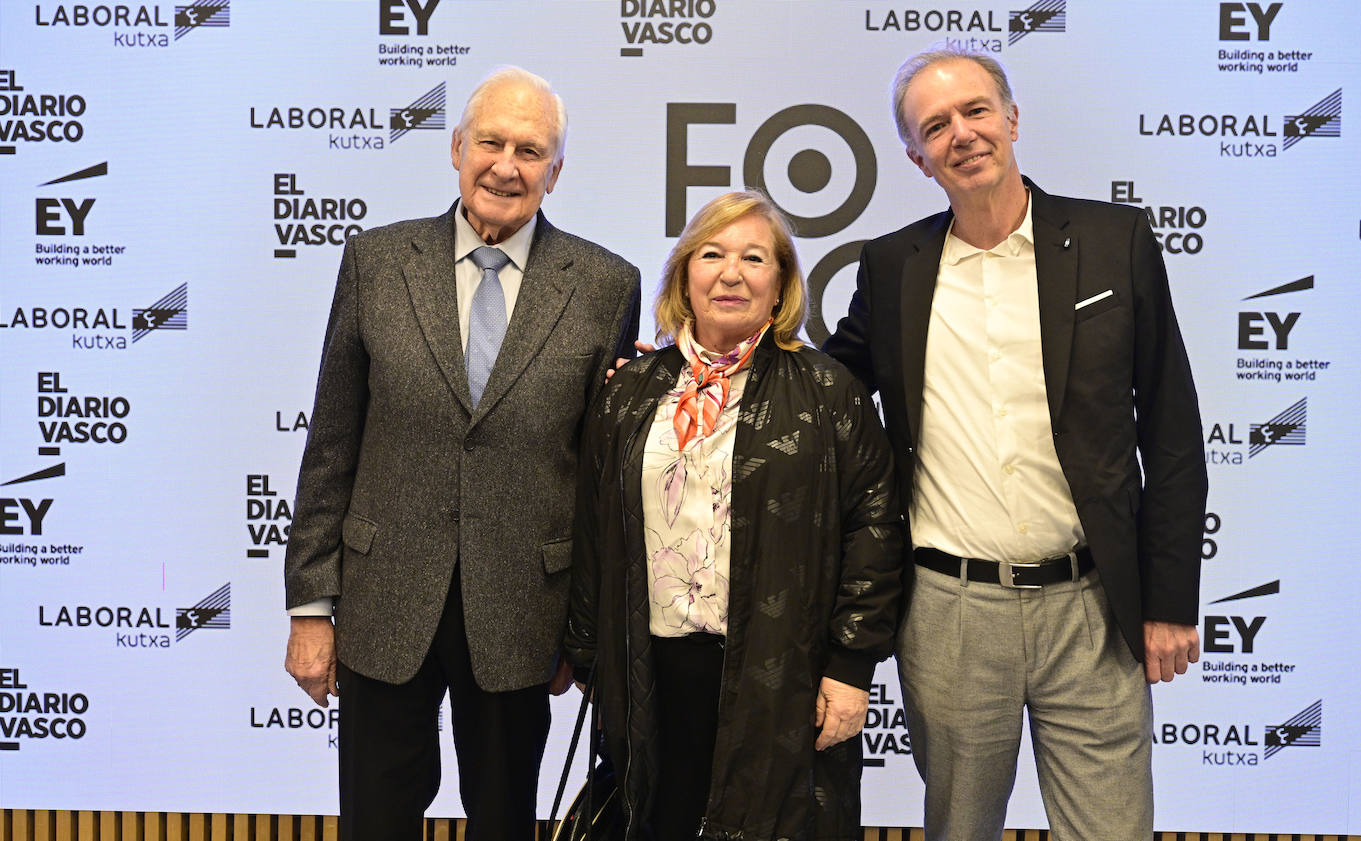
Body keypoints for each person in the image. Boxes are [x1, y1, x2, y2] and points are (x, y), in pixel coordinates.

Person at [823, 49, 1207, 841]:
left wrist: (1169, 601)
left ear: (1012, 118)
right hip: (950, 613)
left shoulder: (1115, 240)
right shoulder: (893, 266)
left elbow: (1170, 427)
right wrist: (684, 367)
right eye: (936, 126)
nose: (961, 134)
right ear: (915, 157)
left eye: (975, 111)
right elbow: (823, 384)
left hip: (1093, 606)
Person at [281, 66, 640, 841]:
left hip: (523, 610)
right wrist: (311, 606)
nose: (507, 165)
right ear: (455, 147)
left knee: (505, 820)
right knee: (375, 821)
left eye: (531, 149)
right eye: (492, 141)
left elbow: (598, 477)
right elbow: (332, 440)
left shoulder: (608, 285)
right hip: (383, 599)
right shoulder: (376, 262)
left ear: (557, 171)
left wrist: (580, 628)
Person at [564, 190, 905, 841]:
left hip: (784, 679)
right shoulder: (630, 392)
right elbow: (593, 531)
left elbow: (876, 530)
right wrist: (591, 660)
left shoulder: (831, 392)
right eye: (712, 253)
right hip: (652, 678)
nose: (730, 272)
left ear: (780, 286)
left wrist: (850, 665)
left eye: (754, 257)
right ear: (683, 276)